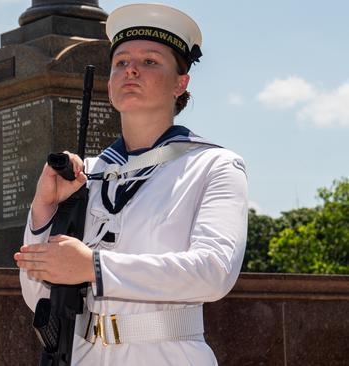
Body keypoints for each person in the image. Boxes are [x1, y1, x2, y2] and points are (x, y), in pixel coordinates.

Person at [14, 3, 248, 365]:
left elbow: (213, 271)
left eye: (150, 61)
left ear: (180, 84)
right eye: (120, 63)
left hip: (168, 355)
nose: (131, 69)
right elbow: (37, 296)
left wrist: (94, 267)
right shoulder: (85, 173)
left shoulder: (212, 165)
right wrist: (43, 211)